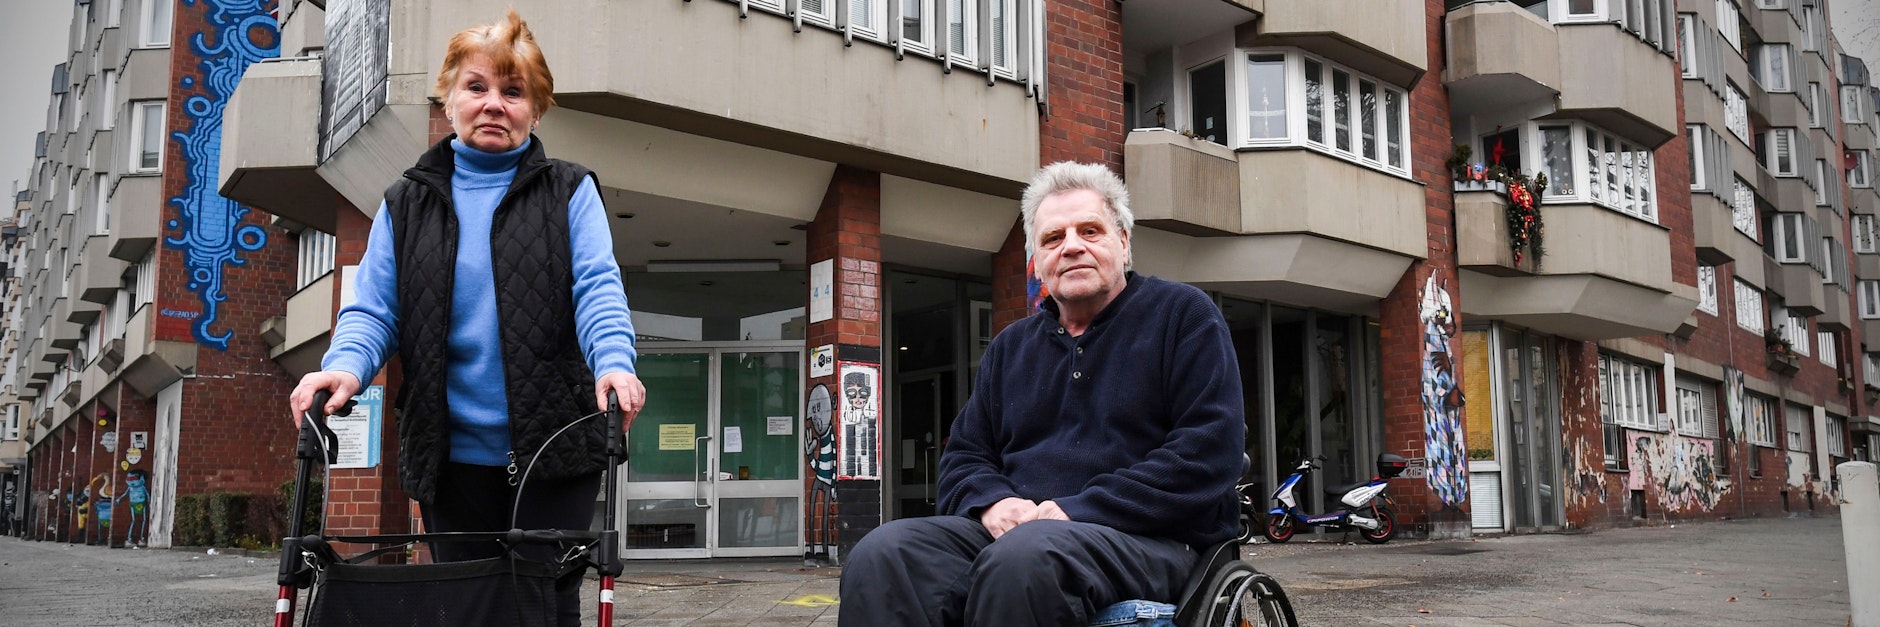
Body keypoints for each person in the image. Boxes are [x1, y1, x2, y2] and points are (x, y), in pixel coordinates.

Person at [286, 10, 644, 626]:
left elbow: (597, 290)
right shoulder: (407, 201)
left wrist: (614, 362)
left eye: (514, 92)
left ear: (537, 109)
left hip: (553, 451)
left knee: (543, 608)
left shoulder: (569, 191)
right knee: (467, 607)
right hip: (450, 460)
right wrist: (343, 369)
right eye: (476, 88)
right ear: (448, 99)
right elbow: (374, 308)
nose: (494, 104)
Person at [838, 162, 1246, 626]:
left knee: (1024, 560)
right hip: (1024, 538)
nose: (1072, 246)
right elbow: (964, 456)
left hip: (1151, 538)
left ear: (1124, 241)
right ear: (1038, 261)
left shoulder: (1183, 316)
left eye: (1090, 230)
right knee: (883, 554)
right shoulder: (1010, 348)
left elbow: (1208, 450)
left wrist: (1077, 510)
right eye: (1054, 239)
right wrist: (992, 502)